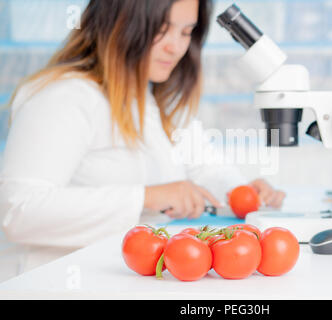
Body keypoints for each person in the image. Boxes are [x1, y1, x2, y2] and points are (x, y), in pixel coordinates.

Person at [0, 0, 285, 272]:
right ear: (116, 23)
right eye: (160, 30)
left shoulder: (156, 99)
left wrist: (242, 193)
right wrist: (147, 197)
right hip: (52, 282)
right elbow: (19, 211)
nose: (175, 47)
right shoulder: (64, 97)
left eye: (186, 32)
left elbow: (205, 168)